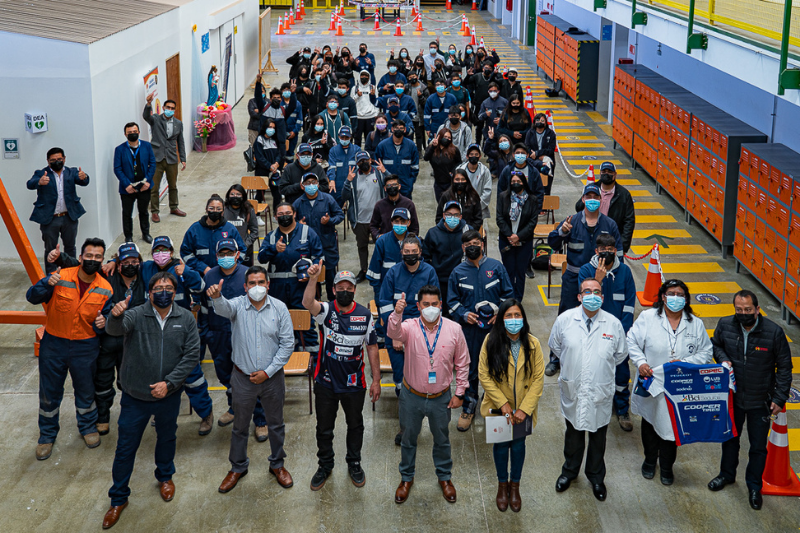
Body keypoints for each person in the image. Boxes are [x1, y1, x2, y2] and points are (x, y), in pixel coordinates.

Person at [101, 271, 200, 529]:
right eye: (158, 287)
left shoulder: (185, 318)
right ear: (150, 292)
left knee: (167, 437)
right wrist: (116, 313)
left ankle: (165, 476)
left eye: (168, 287)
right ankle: (118, 498)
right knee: (125, 448)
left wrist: (169, 384)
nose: (163, 291)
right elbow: (114, 330)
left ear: (175, 291)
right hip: (135, 396)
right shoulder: (135, 314)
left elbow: (191, 356)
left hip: (168, 394)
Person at [209, 266, 295, 495]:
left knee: (276, 425)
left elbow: (288, 345)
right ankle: (238, 467)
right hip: (242, 378)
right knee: (239, 426)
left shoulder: (280, 308)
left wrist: (268, 372)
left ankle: (277, 464)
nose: (256, 287)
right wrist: (217, 297)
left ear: (268, 284)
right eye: (252, 283)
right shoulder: (237, 305)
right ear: (245, 287)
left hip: (272, 378)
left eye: (261, 282)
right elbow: (223, 309)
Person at [26, 238, 113, 460]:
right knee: (49, 392)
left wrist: (103, 325)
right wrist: (47, 283)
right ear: (81, 257)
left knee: (85, 390)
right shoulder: (61, 276)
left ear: (102, 260)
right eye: (89, 256)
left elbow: (105, 323)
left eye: (98, 257)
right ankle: (46, 436)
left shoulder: (106, 289)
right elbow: (32, 297)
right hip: (54, 343)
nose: (93, 260)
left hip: (85, 346)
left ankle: (87, 427)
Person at [708, 290, 793, 510]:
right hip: (732, 397)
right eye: (739, 310)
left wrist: (779, 397)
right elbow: (715, 345)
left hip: (760, 400)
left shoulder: (774, 333)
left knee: (758, 447)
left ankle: (754, 486)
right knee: (729, 440)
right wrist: (724, 359)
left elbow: (784, 368)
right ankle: (726, 475)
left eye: (747, 310)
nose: (743, 314)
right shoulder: (726, 325)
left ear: (757, 309)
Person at [627, 279, 713, 486]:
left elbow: (706, 352)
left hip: (679, 385)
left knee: (671, 428)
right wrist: (640, 362)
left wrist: (685, 363)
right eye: (671, 294)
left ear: (686, 299)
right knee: (649, 421)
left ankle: (666, 467)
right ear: (663, 297)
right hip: (651, 381)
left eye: (680, 294)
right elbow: (632, 340)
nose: (675, 298)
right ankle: (649, 461)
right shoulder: (648, 318)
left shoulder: (695, 323)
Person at [388, 285, 469, 504]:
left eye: (434, 304)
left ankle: (444, 477)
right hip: (411, 396)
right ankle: (406, 477)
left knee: (442, 440)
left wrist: (459, 392)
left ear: (440, 305)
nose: (430, 308)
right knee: (408, 438)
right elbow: (393, 333)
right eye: (426, 304)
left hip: (441, 397)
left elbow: (462, 363)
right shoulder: (409, 326)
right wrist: (397, 313)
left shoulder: (454, 329)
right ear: (418, 306)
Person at [548, 278, 627, 502]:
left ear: (602, 297)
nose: (592, 296)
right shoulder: (565, 320)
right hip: (574, 388)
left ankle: (596, 476)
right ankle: (569, 472)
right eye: (587, 292)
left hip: (599, 391)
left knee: (598, 437)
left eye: (597, 292)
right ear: (579, 296)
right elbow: (555, 346)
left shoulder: (613, 324)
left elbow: (620, 354)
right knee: (573, 435)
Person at [302, 267, 381, 490]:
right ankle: (325, 465)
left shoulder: (365, 315)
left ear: (355, 290)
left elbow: (372, 346)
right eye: (340, 288)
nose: (344, 291)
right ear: (334, 290)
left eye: (349, 288)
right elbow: (308, 302)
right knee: (324, 428)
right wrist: (313, 279)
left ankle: (354, 463)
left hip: (354, 384)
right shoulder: (325, 311)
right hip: (325, 382)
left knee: (355, 425)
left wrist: (376, 380)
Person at [546, 184, 622, 376]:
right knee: (566, 316)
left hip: (600, 278)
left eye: (595, 196)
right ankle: (556, 357)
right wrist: (562, 231)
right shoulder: (572, 221)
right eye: (588, 196)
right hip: (573, 279)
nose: (592, 200)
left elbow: (619, 253)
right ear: (582, 200)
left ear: (600, 199)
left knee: (598, 317)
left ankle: (590, 356)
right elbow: (552, 242)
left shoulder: (609, 225)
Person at [140, 236, 214, 434]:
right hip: (155, 331)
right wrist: (113, 261)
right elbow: (127, 265)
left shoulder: (180, 268)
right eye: (157, 250)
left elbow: (200, 287)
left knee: (193, 377)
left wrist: (187, 272)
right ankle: (160, 413)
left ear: (171, 252)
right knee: (158, 375)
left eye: (165, 249)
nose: (161, 254)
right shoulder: (146, 268)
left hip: (180, 329)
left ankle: (206, 413)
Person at [479, 299, 544, 512]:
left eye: (517, 316)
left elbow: (538, 379)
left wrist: (524, 409)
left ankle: (514, 486)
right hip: (499, 409)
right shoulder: (490, 341)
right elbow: (484, 375)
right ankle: (502, 485)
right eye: (509, 316)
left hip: (522, 411)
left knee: (518, 446)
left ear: (523, 319)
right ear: (501, 319)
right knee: (500, 446)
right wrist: (503, 403)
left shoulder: (533, 344)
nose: (513, 320)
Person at [201, 239, 269, 436]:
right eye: (222, 254)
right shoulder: (211, 275)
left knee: (252, 376)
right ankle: (234, 407)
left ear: (237, 254)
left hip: (245, 336)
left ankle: (260, 419)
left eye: (229, 253)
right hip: (218, 335)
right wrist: (208, 334)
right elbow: (204, 307)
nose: (226, 257)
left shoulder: (248, 276)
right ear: (216, 256)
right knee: (226, 375)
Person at [448, 230, 514, 431]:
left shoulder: (496, 268)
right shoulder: (457, 273)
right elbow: (451, 302)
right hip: (470, 332)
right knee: (470, 369)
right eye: (468, 244)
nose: (472, 246)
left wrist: (500, 314)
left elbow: (508, 295)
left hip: (495, 331)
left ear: (483, 245)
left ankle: (493, 403)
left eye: (476, 242)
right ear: (463, 248)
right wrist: (463, 314)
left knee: (496, 366)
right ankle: (468, 407)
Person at [379, 236, 439, 432]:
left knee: (421, 377)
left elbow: (434, 306)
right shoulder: (393, 273)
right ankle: (406, 426)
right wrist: (396, 334)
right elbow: (384, 304)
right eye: (407, 252)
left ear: (420, 252)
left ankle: (418, 416)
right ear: (401, 253)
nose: (411, 255)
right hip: (396, 331)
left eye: (414, 252)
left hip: (422, 333)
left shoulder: (429, 272)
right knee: (400, 379)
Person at [578, 233, 636, 431]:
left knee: (621, 371)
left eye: (611, 250)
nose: (607, 253)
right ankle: (594, 403)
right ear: (596, 251)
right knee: (594, 369)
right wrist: (598, 280)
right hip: (593, 333)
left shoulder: (626, 273)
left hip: (619, 334)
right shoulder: (586, 270)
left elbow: (629, 306)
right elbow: (586, 303)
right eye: (603, 250)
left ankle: (622, 409)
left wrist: (622, 332)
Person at [258, 202, 324, 352]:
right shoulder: (272, 237)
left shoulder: (308, 232)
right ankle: (284, 354)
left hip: (301, 287)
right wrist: (273, 249)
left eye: (287, 213)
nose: (284, 216)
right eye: (280, 214)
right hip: (277, 289)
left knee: (304, 320)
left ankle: (311, 357)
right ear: (275, 217)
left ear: (294, 214)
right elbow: (261, 258)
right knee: (278, 323)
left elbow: (319, 256)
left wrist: (313, 270)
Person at [27, 147, 90, 273]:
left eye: (59, 159)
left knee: (70, 247)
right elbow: (30, 184)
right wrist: (39, 182)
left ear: (64, 159)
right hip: (50, 219)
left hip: (69, 217)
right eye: (53, 160)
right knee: (50, 249)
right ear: (48, 161)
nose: (57, 162)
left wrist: (84, 177)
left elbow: (84, 181)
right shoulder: (41, 173)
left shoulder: (71, 172)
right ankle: (51, 276)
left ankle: (71, 273)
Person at [293, 172, 345, 300]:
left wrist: (330, 221)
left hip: (327, 244)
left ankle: (332, 302)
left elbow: (340, 215)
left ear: (318, 184)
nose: (311, 185)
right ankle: (315, 301)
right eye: (308, 183)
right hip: (307, 248)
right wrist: (298, 225)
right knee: (310, 278)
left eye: (314, 182)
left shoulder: (328, 199)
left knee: (330, 276)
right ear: (302, 186)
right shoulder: (298, 203)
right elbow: (289, 222)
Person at [367, 208, 411, 346]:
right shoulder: (382, 242)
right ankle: (382, 347)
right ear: (391, 222)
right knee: (385, 326)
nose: (400, 224)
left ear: (409, 222)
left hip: (407, 297)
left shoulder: (414, 243)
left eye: (403, 221)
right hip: (386, 297)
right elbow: (374, 275)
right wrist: (381, 298)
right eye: (396, 221)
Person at [342, 150, 386, 282]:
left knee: (380, 246)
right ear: (357, 163)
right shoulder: (353, 177)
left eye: (365, 160)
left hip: (377, 220)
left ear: (370, 159)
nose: (363, 163)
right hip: (360, 220)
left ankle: (379, 270)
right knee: (362, 246)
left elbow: (392, 185)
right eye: (360, 161)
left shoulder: (378, 172)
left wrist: (385, 172)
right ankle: (364, 270)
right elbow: (344, 197)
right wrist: (347, 181)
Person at [497, 171, 541, 300]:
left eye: (518, 182)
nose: (516, 184)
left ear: (524, 183)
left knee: (520, 272)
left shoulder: (532, 199)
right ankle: (509, 298)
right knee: (508, 271)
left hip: (524, 242)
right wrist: (510, 236)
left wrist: (519, 237)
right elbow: (499, 218)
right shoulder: (503, 197)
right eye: (513, 182)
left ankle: (518, 300)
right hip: (507, 240)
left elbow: (532, 222)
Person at [574, 162, 636, 254]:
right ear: (600, 173)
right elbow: (578, 208)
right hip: (590, 236)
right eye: (604, 171)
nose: (606, 174)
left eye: (610, 172)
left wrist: (623, 246)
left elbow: (629, 221)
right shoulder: (592, 189)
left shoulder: (624, 195)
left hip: (611, 240)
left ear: (615, 175)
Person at [422, 202, 473, 314]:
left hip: (462, 281)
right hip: (441, 282)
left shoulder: (468, 231)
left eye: (456, 215)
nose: (452, 217)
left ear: (460, 217)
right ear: (444, 216)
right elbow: (425, 257)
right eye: (449, 214)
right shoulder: (433, 233)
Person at [143, 94, 186, 222]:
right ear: (163, 107)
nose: (170, 109)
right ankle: (155, 211)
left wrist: (182, 158)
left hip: (172, 158)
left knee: (173, 185)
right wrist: (148, 104)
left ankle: (174, 207)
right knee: (154, 187)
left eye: (172, 108)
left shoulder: (178, 124)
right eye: (168, 107)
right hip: (157, 158)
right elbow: (146, 116)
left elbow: (181, 141)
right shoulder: (156, 119)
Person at [180, 195, 246, 277]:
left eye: (218, 209)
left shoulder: (230, 229)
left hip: (226, 275)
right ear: (206, 209)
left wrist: (231, 266)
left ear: (223, 211)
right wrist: (203, 268)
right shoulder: (194, 230)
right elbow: (186, 253)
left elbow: (242, 251)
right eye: (211, 208)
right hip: (201, 275)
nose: (215, 211)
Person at [114, 123, 155, 244]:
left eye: (134, 131)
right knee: (127, 213)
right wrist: (127, 184)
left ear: (139, 132)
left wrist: (147, 181)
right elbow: (117, 168)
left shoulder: (147, 146)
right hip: (127, 188)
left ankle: (146, 234)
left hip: (144, 186)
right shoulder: (120, 149)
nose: (132, 134)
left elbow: (152, 164)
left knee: (143, 211)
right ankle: (128, 237)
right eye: (130, 132)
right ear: (125, 134)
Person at [374, 121, 420, 200]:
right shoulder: (382, 146)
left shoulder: (411, 146)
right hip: (388, 187)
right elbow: (376, 166)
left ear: (405, 130)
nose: (399, 130)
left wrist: (410, 182)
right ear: (392, 129)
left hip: (405, 186)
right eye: (396, 128)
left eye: (401, 128)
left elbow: (415, 167)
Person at [369, 175, 420, 239]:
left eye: (394, 185)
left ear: (399, 186)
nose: (392, 187)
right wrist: (378, 236)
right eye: (389, 185)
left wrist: (409, 240)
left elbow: (415, 228)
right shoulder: (379, 205)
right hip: (386, 242)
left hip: (405, 243)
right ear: (385, 188)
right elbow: (373, 226)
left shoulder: (408, 204)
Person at [465, 62, 503, 145]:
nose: (487, 70)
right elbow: (466, 83)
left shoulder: (494, 78)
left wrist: (494, 75)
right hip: (479, 105)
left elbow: (500, 84)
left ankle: (489, 142)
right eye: (486, 68)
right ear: (482, 68)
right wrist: (468, 75)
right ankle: (478, 143)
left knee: (492, 125)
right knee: (479, 125)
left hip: (493, 105)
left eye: (489, 68)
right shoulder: (477, 76)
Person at [255, 80, 291, 167]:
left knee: (279, 166)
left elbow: (292, 106)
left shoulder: (283, 110)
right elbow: (258, 97)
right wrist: (258, 84)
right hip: (266, 143)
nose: (277, 99)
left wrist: (293, 93)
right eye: (274, 97)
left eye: (278, 98)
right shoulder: (264, 107)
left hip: (280, 144)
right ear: (270, 99)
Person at [224, 184, 258, 266]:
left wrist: (245, 244)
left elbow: (254, 231)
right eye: (232, 194)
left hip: (244, 250)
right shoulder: (223, 210)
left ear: (243, 196)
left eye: (238, 194)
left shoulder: (249, 210)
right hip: (225, 249)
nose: (235, 196)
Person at [456, 144, 492, 221]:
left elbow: (487, 191)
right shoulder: (460, 170)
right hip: (463, 207)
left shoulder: (485, 171)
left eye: (476, 154)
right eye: (471, 154)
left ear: (480, 156)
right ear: (467, 156)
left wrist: (478, 206)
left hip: (479, 209)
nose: (473, 156)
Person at [425, 129, 462, 202]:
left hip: (450, 183)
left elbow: (459, 162)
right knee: (440, 205)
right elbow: (426, 158)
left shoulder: (454, 150)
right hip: (438, 182)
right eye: (445, 137)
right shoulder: (432, 149)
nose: (447, 139)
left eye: (449, 138)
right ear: (440, 136)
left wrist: (453, 171)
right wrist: (433, 146)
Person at [326, 126, 359, 206]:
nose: (344, 139)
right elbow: (332, 166)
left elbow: (359, 167)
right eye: (342, 137)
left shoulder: (356, 150)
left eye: (346, 137)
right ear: (338, 136)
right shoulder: (333, 150)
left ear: (350, 137)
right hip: (337, 185)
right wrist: (332, 180)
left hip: (353, 185)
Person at [254, 118, 283, 207]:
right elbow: (260, 157)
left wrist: (276, 163)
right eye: (270, 127)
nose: (272, 129)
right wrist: (269, 166)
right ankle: (257, 215)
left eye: (273, 128)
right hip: (262, 172)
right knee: (260, 193)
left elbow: (279, 153)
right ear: (265, 127)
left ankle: (276, 213)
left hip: (274, 172)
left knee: (277, 192)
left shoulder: (274, 140)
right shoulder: (259, 140)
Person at [351, 70, 379, 147]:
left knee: (369, 138)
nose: (364, 77)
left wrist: (376, 114)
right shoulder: (355, 88)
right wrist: (357, 95)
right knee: (357, 138)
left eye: (366, 75)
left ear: (369, 77)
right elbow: (351, 102)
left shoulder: (372, 88)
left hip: (370, 116)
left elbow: (376, 102)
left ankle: (369, 155)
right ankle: (357, 154)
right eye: (362, 75)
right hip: (358, 117)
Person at [406, 71, 430, 153]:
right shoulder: (407, 88)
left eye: (414, 76)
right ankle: (410, 150)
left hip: (420, 115)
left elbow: (427, 103)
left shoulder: (423, 88)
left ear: (417, 77)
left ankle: (419, 151)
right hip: (409, 116)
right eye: (410, 77)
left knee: (419, 135)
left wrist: (421, 97)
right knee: (410, 134)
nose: (412, 78)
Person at [281, 82, 304, 163]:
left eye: (288, 90)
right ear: (281, 91)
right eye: (285, 90)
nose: (287, 92)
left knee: (290, 153)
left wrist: (294, 131)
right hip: (281, 133)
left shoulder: (297, 104)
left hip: (293, 133)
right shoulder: (279, 104)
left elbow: (300, 120)